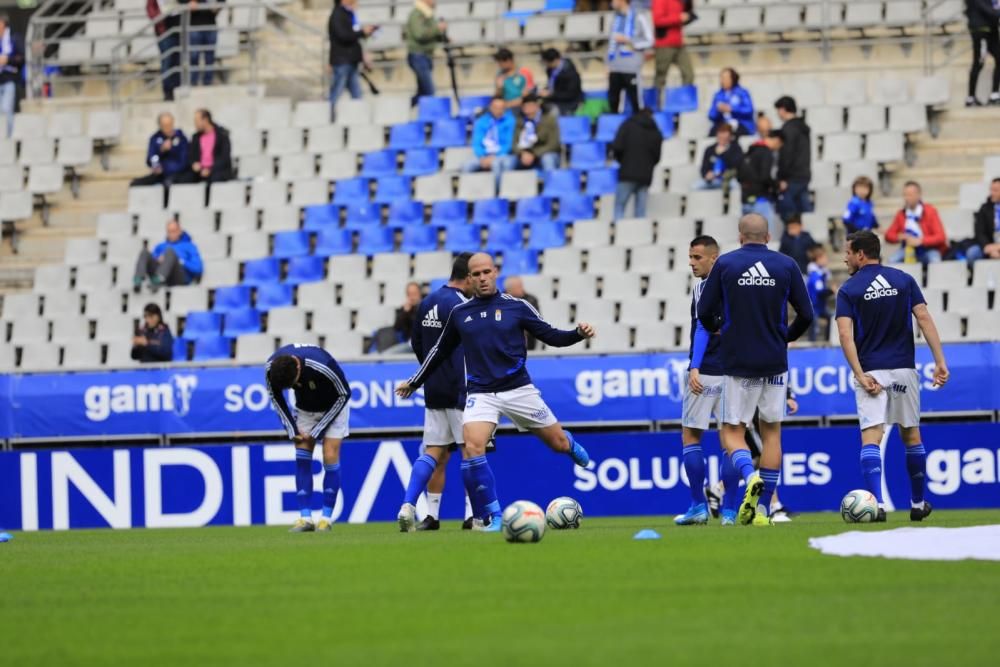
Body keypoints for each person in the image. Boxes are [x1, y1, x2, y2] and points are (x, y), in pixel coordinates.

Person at [395, 253, 595, 531]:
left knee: (557, 444)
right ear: (470, 278)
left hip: (519, 390)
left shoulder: (517, 307)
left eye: (487, 272)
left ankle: (569, 444)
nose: (482, 278)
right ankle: (494, 515)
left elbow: (551, 336)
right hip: (481, 393)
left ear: (495, 272)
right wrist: (414, 382)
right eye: (476, 274)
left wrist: (577, 333)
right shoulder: (460, 313)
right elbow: (438, 352)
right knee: (472, 448)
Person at [697, 213, 813, 525]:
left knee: (732, 432)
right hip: (775, 361)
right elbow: (807, 313)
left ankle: (749, 476)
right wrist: (785, 336)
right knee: (772, 433)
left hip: (738, 361)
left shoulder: (726, 264)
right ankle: (763, 510)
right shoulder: (786, 264)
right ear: (768, 236)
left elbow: (704, 311)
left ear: (740, 236)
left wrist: (719, 328)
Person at [835, 230, 948, 522]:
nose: (844, 257)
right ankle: (918, 503)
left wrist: (859, 374)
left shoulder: (849, 289)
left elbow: (845, 335)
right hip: (903, 368)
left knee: (871, 438)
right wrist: (939, 361)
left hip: (871, 369)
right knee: (911, 435)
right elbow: (923, 318)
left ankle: (879, 506)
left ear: (860, 254)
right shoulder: (903, 280)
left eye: (848, 252)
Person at [398, 254, 475, 532]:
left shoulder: (427, 302)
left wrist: (429, 374)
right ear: (467, 277)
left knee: (434, 452)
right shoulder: (463, 305)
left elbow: (417, 343)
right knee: (471, 452)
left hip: (434, 388)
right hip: (461, 389)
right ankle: (472, 515)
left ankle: (421, 511)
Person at [674, 235, 743, 527]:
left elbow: (702, 327)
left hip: (705, 371)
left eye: (697, 258)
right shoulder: (739, 287)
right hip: (736, 372)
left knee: (692, 437)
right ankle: (728, 511)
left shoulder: (705, 288)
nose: (691, 263)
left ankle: (698, 506)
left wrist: (694, 366)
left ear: (714, 258)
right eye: (690, 257)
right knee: (732, 440)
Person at [266, 344, 351, 532]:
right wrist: (292, 430)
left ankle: (326, 519)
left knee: (329, 454)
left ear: (298, 368)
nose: (294, 386)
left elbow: (345, 393)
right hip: (305, 409)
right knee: (302, 455)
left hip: (334, 406)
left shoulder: (322, 364)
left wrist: (317, 431)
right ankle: (305, 518)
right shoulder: (270, 369)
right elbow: (276, 397)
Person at [611, 107, 663, 220]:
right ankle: (639, 235)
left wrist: (622, 161)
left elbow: (617, 147)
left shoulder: (627, 125)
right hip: (646, 176)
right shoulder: (656, 131)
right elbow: (657, 157)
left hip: (627, 173)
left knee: (620, 206)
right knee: (640, 212)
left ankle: (619, 234)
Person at [606, 0, 653, 114]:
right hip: (615, 68)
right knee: (613, 103)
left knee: (635, 102)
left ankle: (639, 129)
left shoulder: (639, 16)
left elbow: (650, 40)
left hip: (631, 68)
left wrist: (630, 41)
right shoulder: (615, 18)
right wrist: (607, 64)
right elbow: (611, 43)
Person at [328, 0, 377, 110]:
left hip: (351, 60)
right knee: (336, 92)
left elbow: (352, 35)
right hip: (342, 61)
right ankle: (328, 116)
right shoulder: (338, 15)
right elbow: (344, 36)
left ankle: (359, 115)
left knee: (357, 94)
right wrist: (362, 32)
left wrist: (364, 33)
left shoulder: (348, 14)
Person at [885, 181, 947, 264]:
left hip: (928, 249)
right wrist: (899, 237)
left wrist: (920, 241)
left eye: (910, 195)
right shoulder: (901, 213)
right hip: (908, 249)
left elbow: (941, 236)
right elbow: (888, 235)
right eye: (905, 195)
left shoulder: (930, 211)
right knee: (892, 261)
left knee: (935, 260)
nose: (907, 198)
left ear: (918, 195)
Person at [133, 218, 204, 291]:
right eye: (169, 232)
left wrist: (180, 261)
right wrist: (158, 259)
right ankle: (138, 280)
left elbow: (198, 268)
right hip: (162, 273)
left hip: (178, 277)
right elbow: (153, 260)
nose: (171, 234)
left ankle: (159, 279)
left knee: (170, 252)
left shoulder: (189, 246)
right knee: (144, 252)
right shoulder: (161, 246)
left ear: (180, 231)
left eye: (174, 231)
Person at [774, 96, 813, 223]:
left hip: (791, 177)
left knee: (789, 215)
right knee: (806, 213)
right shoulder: (802, 127)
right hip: (804, 173)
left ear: (783, 109)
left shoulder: (788, 129)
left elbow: (787, 155)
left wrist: (782, 178)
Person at [738, 128, 782, 237]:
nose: (779, 148)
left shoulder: (749, 153)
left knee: (749, 239)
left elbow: (739, 176)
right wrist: (777, 185)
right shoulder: (766, 153)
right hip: (760, 200)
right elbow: (765, 176)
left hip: (746, 200)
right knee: (768, 239)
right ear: (777, 140)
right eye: (780, 144)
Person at [130, 112, 189, 191]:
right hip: (160, 174)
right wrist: (161, 152)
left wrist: (168, 167)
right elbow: (152, 158)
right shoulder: (155, 138)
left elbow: (183, 161)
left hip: (177, 174)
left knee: (168, 184)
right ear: (160, 125)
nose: (168, 128)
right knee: (135, 183)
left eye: (169, 125)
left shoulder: (181, 138)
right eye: (165, 125)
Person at [405, 0, 447, 107]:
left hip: (425, 55)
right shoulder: (417, 14)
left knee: (422, 92)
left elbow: (429, 33)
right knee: (429, 91)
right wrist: (437, 29)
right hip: (418, 56)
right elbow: (420, 34)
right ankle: (431, 119)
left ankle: (403, 108)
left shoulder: (428, 13)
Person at [175, 109, 233, 185]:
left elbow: (224, 158)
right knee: (182, 180)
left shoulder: (222, 135)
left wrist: (210, 169)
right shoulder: (196, 137)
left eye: (197, 121)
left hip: (217, 171)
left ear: (205, 120)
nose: (195, 124)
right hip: (199, 172)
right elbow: (190, 155)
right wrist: (193, 164)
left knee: (215, 179)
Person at [651, 0, 694, 104]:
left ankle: (683, 102)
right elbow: (657, 20)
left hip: (679, 43)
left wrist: (688, 17)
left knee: (689, 74)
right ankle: (656, 104)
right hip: (664, 44)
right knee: (661, 77)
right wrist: (678, 18)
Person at [463, 96, 515, 180]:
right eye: (496, 107)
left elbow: (509, 144)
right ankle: (469, 191)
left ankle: (497, 191)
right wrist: (482, 156)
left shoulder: (510, 121)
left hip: (501, 154)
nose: (498, 110)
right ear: (490, 107)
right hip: (483, 155)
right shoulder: (481, 121)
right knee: (467, 166)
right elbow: (476, 143)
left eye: (501, 108)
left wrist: (495, 156)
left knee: (497, 164)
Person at [509, 93, 562, 172]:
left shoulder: (549, 120)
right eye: (526, 106)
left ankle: (550, 183)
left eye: (531, 105)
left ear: (537, 106)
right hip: (523, 154)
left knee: (548, 160)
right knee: (507, 162)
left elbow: (554, 144)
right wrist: (522, 153)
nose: (528, 109)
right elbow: (514, 143)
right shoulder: (519, 122)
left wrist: (534, 154)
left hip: (544, 153)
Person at [965, 0, 1000, 106]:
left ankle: (994, 95)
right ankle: (970, 98)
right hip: (981, 30)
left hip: (991, 30)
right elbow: (989, 11)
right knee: (979, 62)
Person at [693, 123, 743, 192]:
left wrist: (724, 152)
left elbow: (736, 165)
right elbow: (704, 168)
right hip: (711, 180)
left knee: (736, 186)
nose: (722, 135)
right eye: (720, 133)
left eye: (724, 133)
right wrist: (706, 175)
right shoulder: (709, 149)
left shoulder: (736, 149)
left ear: (730, 136)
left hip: (728, 179)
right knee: (695, 187)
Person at [147, 1, 181, 101]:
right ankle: (168, 91)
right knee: (167, 62)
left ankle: (177, 88)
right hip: (164, 31)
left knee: (177, 62)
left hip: (179, 30)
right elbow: (151, 10)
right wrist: (161, 17)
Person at [707, 68, 754, 137]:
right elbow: (711, 115)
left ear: (733, 79)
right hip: (723, 125)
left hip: (740, 124)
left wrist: (732, 109)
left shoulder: (742, 93)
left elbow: (749, 110)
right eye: (721, 78)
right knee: (713, 133)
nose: (723, 81)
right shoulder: (718, 95)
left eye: (725, 78)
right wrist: (718, 110)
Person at [188, 0, 224, 86]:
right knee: (194, 56)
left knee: (210, 57)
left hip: (210, 25)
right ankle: (193, 82)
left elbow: (222, 2)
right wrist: (189, 3)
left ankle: (208, 82)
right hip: (194, 25)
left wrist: (218, 6)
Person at [539, 48, 583, 115]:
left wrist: (551, 94)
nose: (546, 65)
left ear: (555, 60)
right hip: (555, 99)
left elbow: (570, 94)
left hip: (569, 103)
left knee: (552, 112)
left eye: (547, 63)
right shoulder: (550, 70)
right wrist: (545, 91)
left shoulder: (570, 73)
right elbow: (552, 85)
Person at [0, 14, 24, 138]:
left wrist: (7, 60)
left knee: (6, 109)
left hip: (9, 79)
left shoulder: (14, 38)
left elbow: (21, 58)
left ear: (3, 24)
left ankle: (8, 137)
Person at [503, 275, 540, 350]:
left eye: (521, 286)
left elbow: (536, 321)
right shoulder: (499, 301)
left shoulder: (531, 300)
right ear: (509, 290)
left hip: (527, 339)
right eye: (519, 287)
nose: (522, 289)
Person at [968, 177, 1000, 262]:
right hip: (989, 246)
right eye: (991, 190)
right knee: (972, 253)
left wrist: (998, 247)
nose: (992, 193)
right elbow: (980, 232)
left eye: (995, 190)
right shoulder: (985, 208)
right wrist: (987, 247)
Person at [806, 244, 832, 342]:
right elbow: (819, 292)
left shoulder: (822, 273)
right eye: (824, 257)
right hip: (814, 306)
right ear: (818, 258)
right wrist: (831, 291)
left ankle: (827, 341)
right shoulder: (815, 275)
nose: (826, 260)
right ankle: (812, 347)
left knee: (831, 317)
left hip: (820, 306)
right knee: (814, 327)